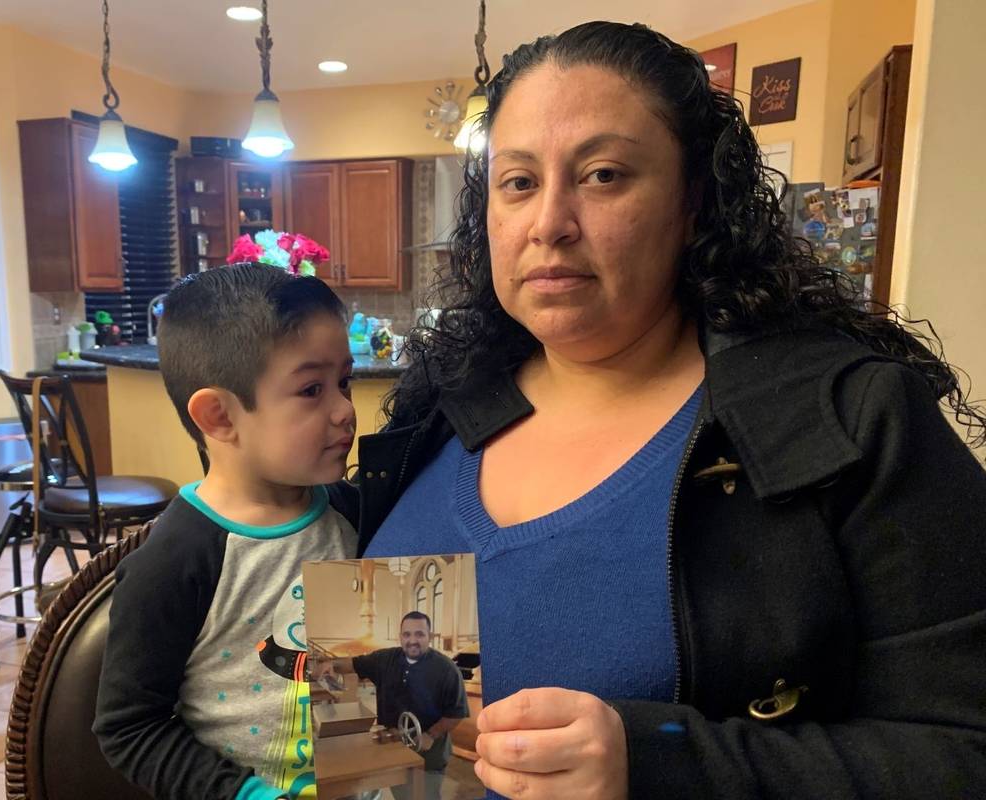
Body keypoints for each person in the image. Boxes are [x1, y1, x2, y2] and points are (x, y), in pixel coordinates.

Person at [355, 20, 986, 800]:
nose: (549, 222)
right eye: (518, 182)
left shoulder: (852, 419)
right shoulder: (440, 407)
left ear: (693, 201)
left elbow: (962, 754)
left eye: (604, 174)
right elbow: (388, 748)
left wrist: (658, 763)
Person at [94, 264, 360, 800]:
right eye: (313, 389)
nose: (345, 410)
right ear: (219, 416)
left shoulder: (356, 513)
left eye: (344, 382)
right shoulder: (175, 561)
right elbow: (128, 727)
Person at [315, 611, 469, 800]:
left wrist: (431, 734)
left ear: (429, 636)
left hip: (428, 754)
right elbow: (354, 664)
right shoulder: (385, 659)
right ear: (400, 637)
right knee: (402, 794)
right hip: (392, 747)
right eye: (407, 634)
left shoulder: (446, 669)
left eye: (419, 634)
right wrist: (332, 664)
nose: (412, 640)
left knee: (424, 795)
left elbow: (456, 713)